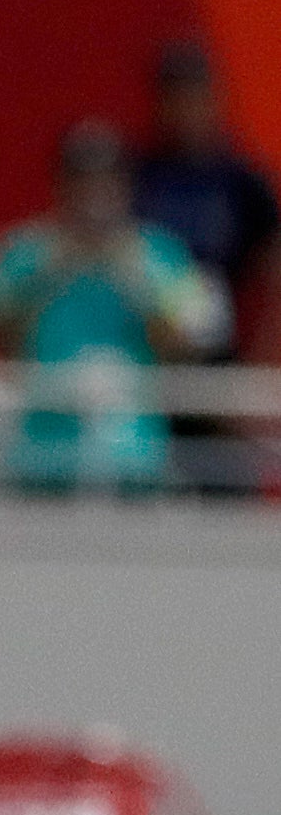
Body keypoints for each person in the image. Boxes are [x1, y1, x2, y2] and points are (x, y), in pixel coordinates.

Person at [0, 119, 224, 495]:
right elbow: (2, 338)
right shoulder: (23, 252)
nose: (94, 193)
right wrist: (55, 269)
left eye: (106, 180)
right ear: (61, 186)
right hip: (44, 452)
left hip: (135, 453)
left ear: (126, 187)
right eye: (82, 181)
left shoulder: (162, 254)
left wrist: (135, 278)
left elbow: (194, 343)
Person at [132, 42, 278, 492]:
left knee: (223, 489)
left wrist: (258, 373)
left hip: (218, 365)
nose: (186, 110)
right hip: (147, 361)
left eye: (196, 96)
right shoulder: (141, 175)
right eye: (175, 97)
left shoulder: (239, 181)